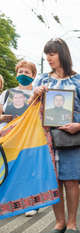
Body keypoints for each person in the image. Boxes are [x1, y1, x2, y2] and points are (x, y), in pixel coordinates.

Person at [33, 38, 80, 233]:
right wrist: (36, 94)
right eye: (46, 54)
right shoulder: (41, 79)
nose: (48, 58)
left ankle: (72, 222)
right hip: (48, 136)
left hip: (72, 135)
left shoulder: (79, 79)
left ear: (62, 54)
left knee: (71, 180)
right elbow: (31, 108)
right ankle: (59, 222)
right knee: (54, 180)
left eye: (52, 53)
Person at [0, 60, 37, 216]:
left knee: (29, 170)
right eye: (20, 72)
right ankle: (14, 203)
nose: (23, 75)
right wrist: (5, 117)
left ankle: (31, 205)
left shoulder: (37, 93)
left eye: (27, 72)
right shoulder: (7, 94)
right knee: (13, 170)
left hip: (29, 136)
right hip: (11, 137)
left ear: (34, 75)